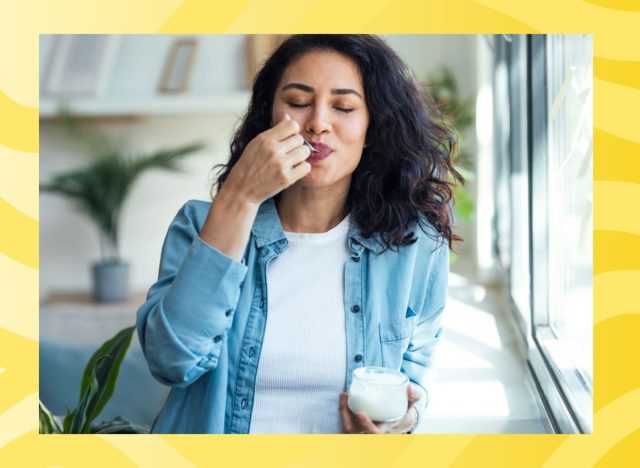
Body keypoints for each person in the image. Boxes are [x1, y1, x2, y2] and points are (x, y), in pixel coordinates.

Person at [136, 34, 462, 434]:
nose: (318, 124)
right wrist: (239, 195)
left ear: (373, 125)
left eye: (343, 106)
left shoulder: (415, 245)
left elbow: (413, 374)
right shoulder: (199, 225)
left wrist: (404, 417)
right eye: (297, 102)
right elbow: (171, 361)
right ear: (269, 117)